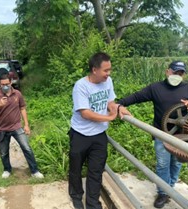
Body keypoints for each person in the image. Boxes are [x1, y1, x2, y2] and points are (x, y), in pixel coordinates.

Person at [117, 61, 188, 208]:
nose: (178, 76)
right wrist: (120, 104)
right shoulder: (156, 88)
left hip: (182, 136)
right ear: (167, 72)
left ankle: (170, 188)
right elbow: (137, 97)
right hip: (161, 134)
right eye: (175, 72)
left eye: (181, 73)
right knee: (162, 164)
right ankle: (163, 193)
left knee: (176, 163)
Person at [68, 52, 130, 209]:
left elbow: (110, 101)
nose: (108, 74)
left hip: (99, 136)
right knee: (76, 169)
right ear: (94, 70)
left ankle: (92, 204)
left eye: (110, 70)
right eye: (105, 70)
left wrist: (117, 107)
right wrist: (110, 118)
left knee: (96, 171)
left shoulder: (108, 81)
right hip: (80, 134)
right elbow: (85, 113)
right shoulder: (81, 86)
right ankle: (76, 196)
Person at [0, 73, 44, 179]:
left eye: (7, 83)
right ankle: (7, 169)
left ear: (11, 82)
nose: (5, 86)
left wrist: (26, 124)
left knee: (27, 148)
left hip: (17, 126)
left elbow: (22, 108)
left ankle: (34, 171)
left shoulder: (17, 94)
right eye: (2, 84)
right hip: (2, 129)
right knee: (4, 152)